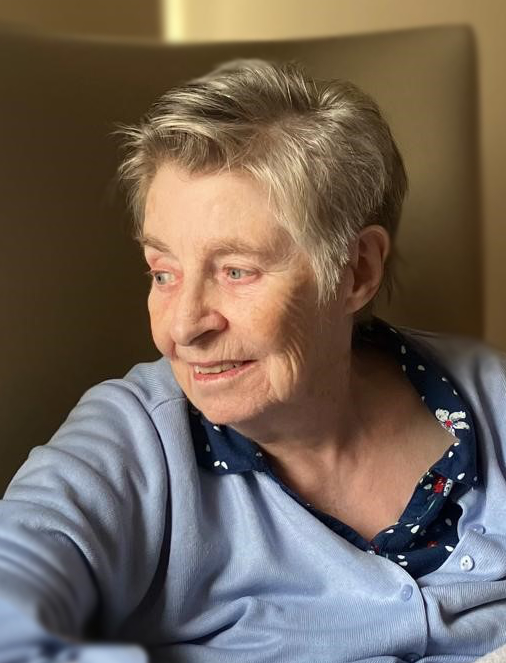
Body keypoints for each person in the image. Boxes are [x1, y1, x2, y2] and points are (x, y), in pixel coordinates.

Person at [0, 58, 505, 663]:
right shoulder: (134, 439)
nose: (183, 327)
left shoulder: (491, 394)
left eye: (236, 271)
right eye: (163, 273)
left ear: (356, 272)